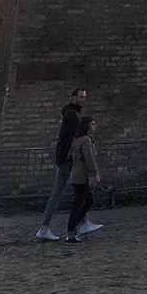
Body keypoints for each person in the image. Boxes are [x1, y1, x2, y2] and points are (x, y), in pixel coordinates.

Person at [36, 87, 101, 240]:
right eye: (80, 97)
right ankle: (73, 226)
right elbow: (70, 137)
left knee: (65, 192)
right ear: (73, 98)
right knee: (80, 192)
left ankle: (50, 226)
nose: (83, 100)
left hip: (63, 158)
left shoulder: (71, 114)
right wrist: (73, 154)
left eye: (84, 97)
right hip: (67, 160)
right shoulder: (72, 115)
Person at [64, 116, 101, 244]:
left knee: (88, 200)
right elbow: (89, 158)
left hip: (77, 175)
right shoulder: (85, 140)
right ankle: (71, 232)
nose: (95, 127)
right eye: (93, 124)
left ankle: (76, 225)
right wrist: (94, 173)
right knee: (78, 204)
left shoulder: (77, 140)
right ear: (87, 126)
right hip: (81, 176)